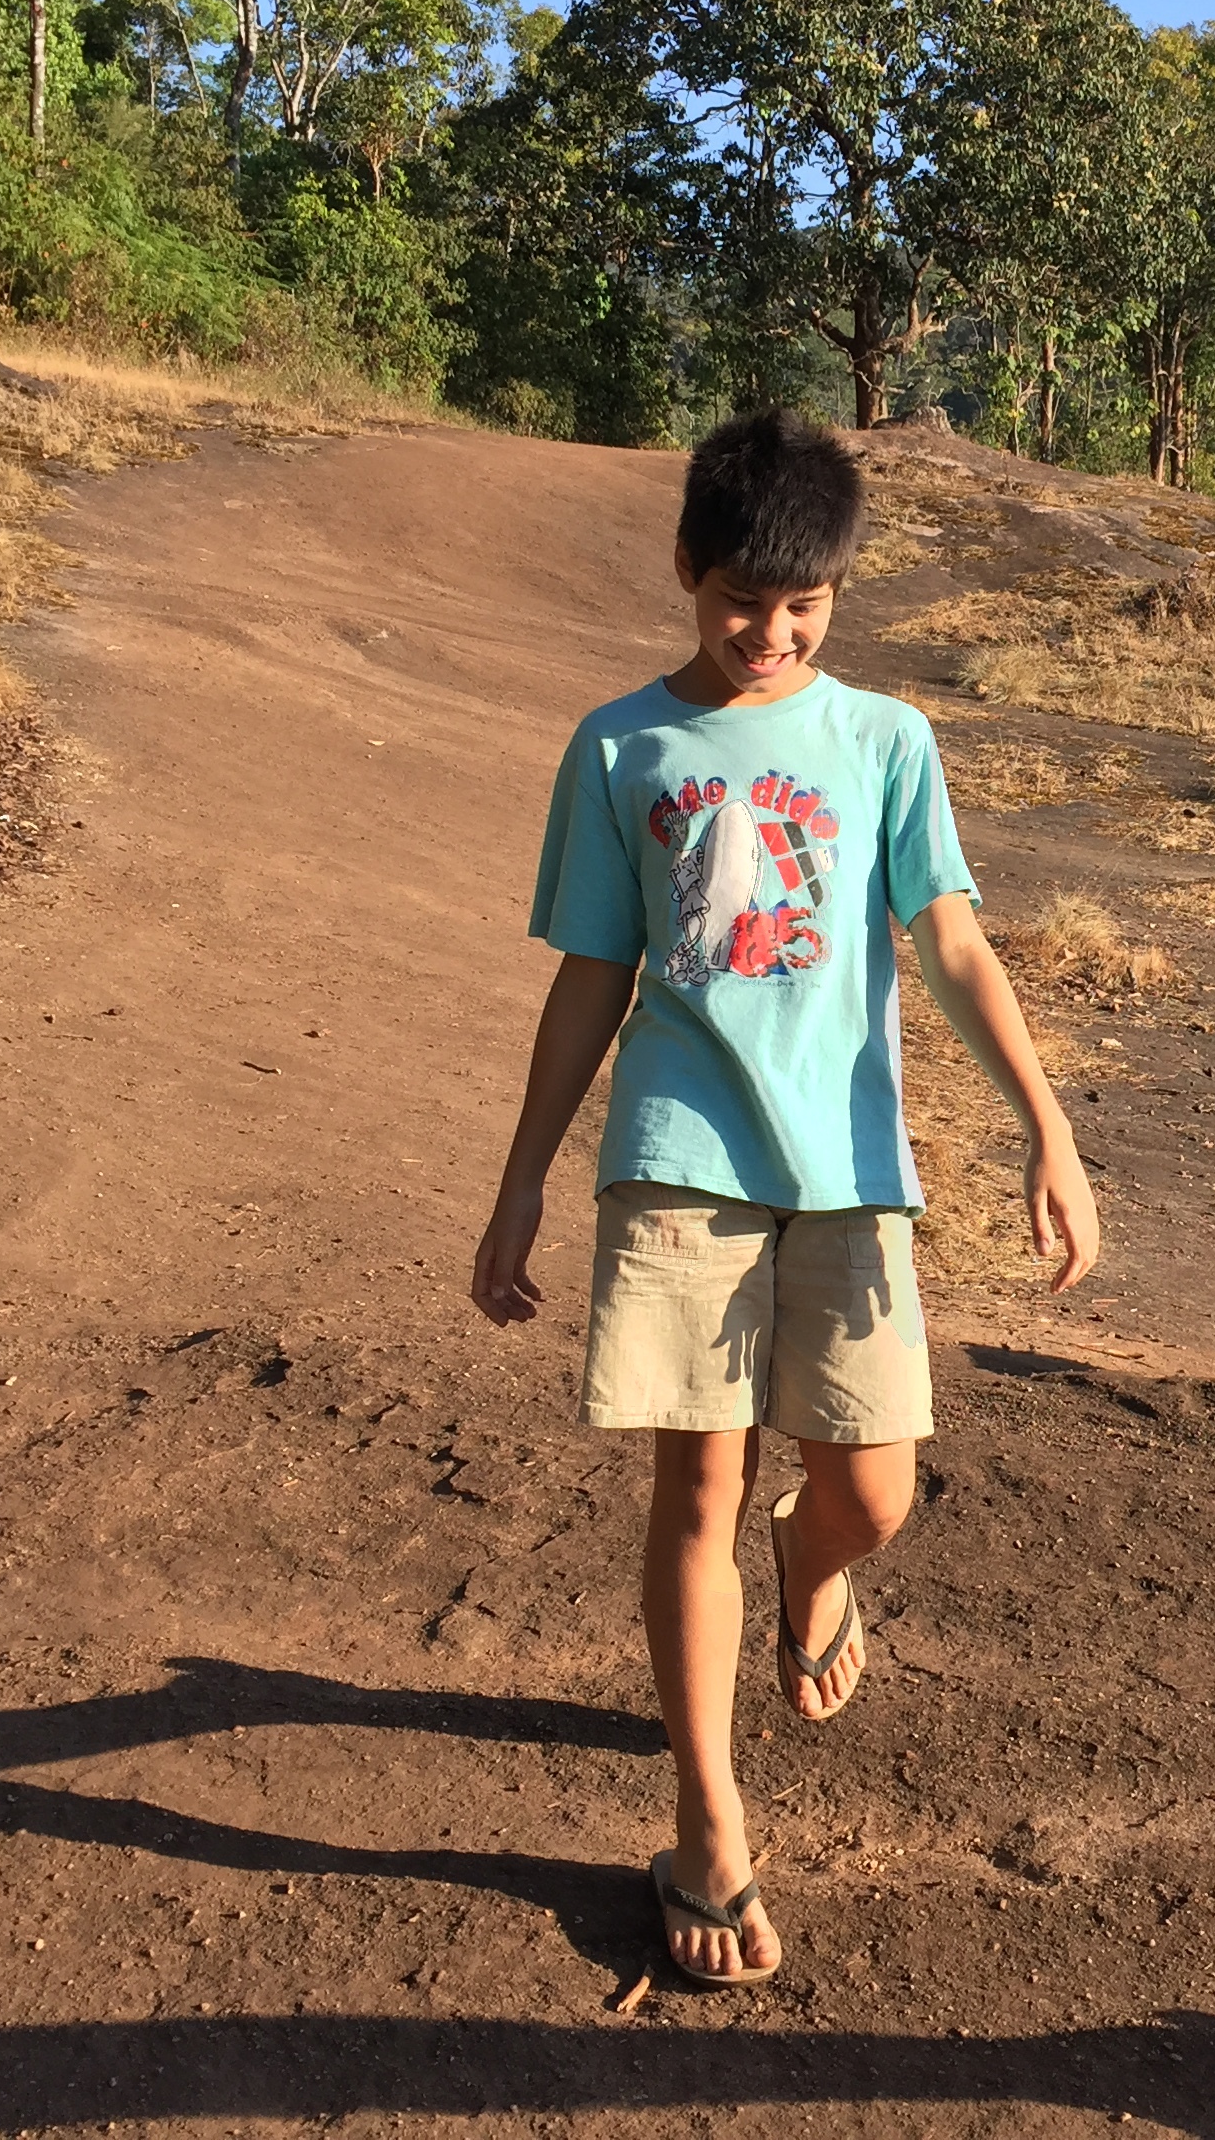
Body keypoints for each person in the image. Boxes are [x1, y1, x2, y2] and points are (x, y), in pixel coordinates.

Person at [469, 404, 1099, 1988]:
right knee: (693, 1493)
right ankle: (707, 1821)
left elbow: (950, 942)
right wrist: (523, 1180)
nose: (771, 633)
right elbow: (592, 978)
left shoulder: (886, 740)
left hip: (852, 1172)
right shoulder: (622, 745)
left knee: (875, 1488)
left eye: (805, 606)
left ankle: (808, 1573)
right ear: (689, 570)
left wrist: (1047, 1127)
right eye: (745, 598)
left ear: (840, 596)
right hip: (680, 1157)